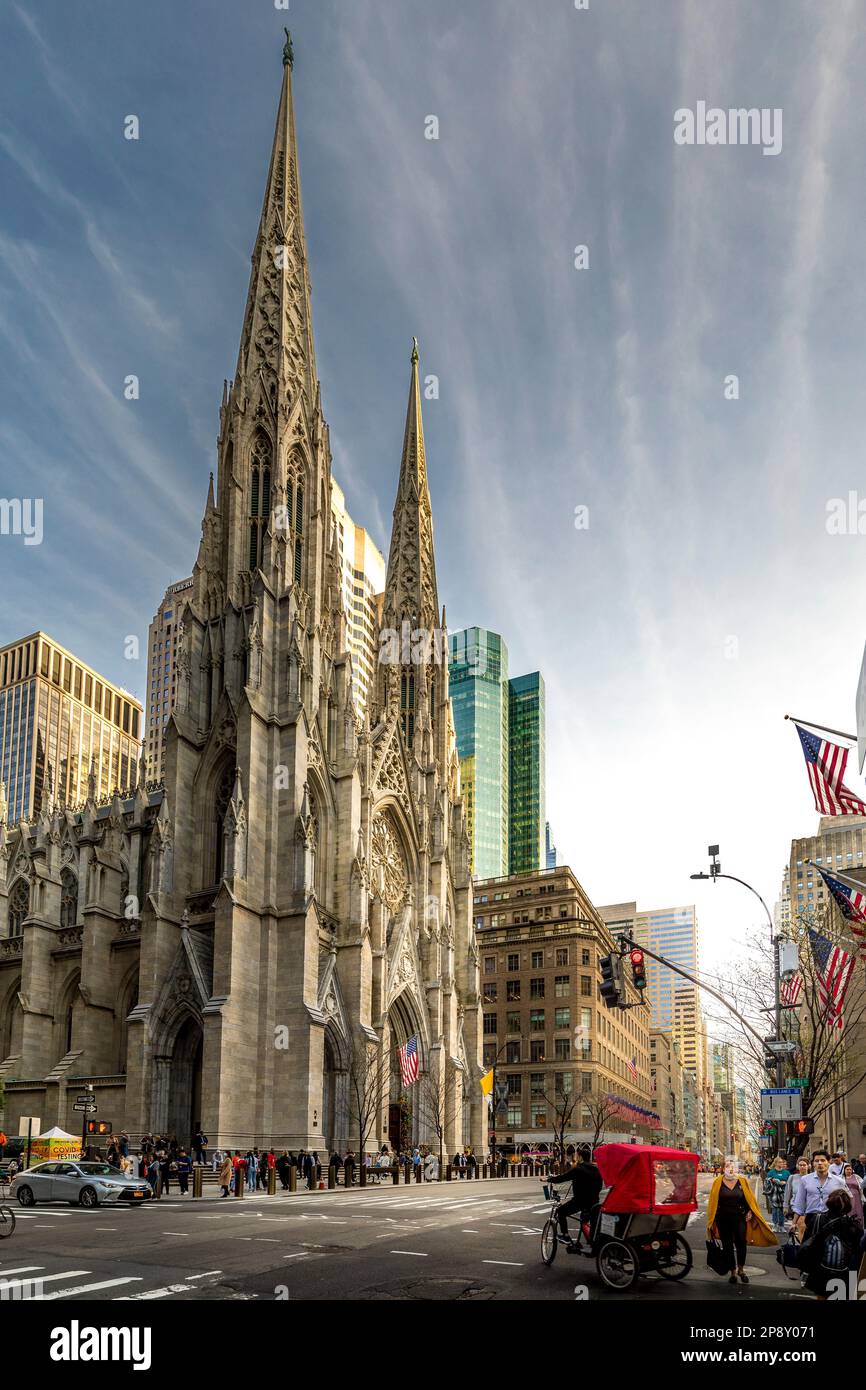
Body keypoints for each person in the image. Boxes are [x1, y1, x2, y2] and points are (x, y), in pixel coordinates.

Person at [707, 1159, 777, 1284]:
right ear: (723, 1169)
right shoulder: (717, 1182)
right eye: (728, 1166)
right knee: (727, 1245)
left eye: (733, 1166)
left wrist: (750, 1210)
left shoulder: (742, 1181)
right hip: (722, 1218)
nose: (730, 1168)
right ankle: (733, 1272)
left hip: (740, 1217)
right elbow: (713, 1202)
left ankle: (741, 1269)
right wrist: (712, 1220)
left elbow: (749, 1198)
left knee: (741, 1243)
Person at [800, 1188, 862, 1299]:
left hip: (821, 1270)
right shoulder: (853, 1225)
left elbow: (806, 1245)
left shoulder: (816, 1219)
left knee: (822, 1297)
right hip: (846, 1273)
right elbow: (857, 1252)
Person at [543, 1143, 602, 1253]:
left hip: (580, 1201)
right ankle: (591, 1243)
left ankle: (565, 1235)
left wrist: (548, 1179)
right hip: (594, 1202)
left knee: (561, 1211)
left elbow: (563, 1178)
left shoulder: (578, 1169)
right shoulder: (597, 1170)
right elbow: (599, 1187)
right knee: (586, 1221)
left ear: (579, 1157)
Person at [792, 1151, 848, 1239]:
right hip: (811, 1218)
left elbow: (846, 1203)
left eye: (823, 1160)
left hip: (831, 1219)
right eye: (816, 1161)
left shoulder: (839, 1181)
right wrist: (794, 1223)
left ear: (829, 1162)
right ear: (813, 1163)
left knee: (829, 1248)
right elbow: (800, 1203)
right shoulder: (805, 1180)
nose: (820, 1163)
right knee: (809, 1248)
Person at [764, 1155, 790, 1234]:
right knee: (775, 1209)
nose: (781, 1163)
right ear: (775, 1163)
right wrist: (772, 1180)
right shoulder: (771, 1172)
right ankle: (775, 1225)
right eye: (779, 1162)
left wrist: (785, 1182)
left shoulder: (786, 1172)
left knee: (782, 1209)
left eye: (782, 1162)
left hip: (783, 1192)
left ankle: (781, 1226)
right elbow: (766, 1181)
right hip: (774, 1193)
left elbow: (789, 1181)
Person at [784, 1157, 810, 1225]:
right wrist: (785, 1206)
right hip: (795, 1206)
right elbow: (787, 1193)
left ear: (808, 1166)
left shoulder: (812, 1178)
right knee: (800, 1225)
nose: (802, 1167)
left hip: (809, 1206)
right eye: (800, 1165)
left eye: (804, 1165)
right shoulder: (792, 1177)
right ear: (797, 1166)